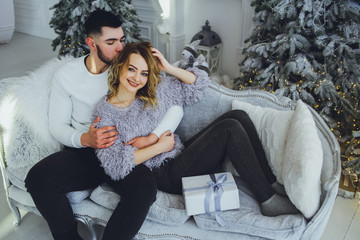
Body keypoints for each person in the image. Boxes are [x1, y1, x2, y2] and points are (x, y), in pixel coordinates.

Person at [94, 41, 300, 226]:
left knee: (239, 116)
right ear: (120, 65)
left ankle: (271, 182)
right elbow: (116, 165)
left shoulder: (154, 90)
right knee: (229, 129)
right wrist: (157, 146)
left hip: (177, 155)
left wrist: (168, 67)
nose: (137, 78)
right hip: (163, 174)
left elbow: (199, 85)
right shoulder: (106, 112)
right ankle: (267, 199)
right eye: (132, 69)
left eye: (144, 73)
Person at [25, 10, 183, 240]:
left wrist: (153, 137)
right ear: (91, 43)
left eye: (121, 40)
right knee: (37, 178)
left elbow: (175, 104)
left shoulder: (131, 69)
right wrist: (85, 139)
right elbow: (57, 126)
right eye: (111, 42)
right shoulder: (65, 76)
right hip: (86, 153)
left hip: (123, 149)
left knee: (144, 188)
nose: (120, 48)